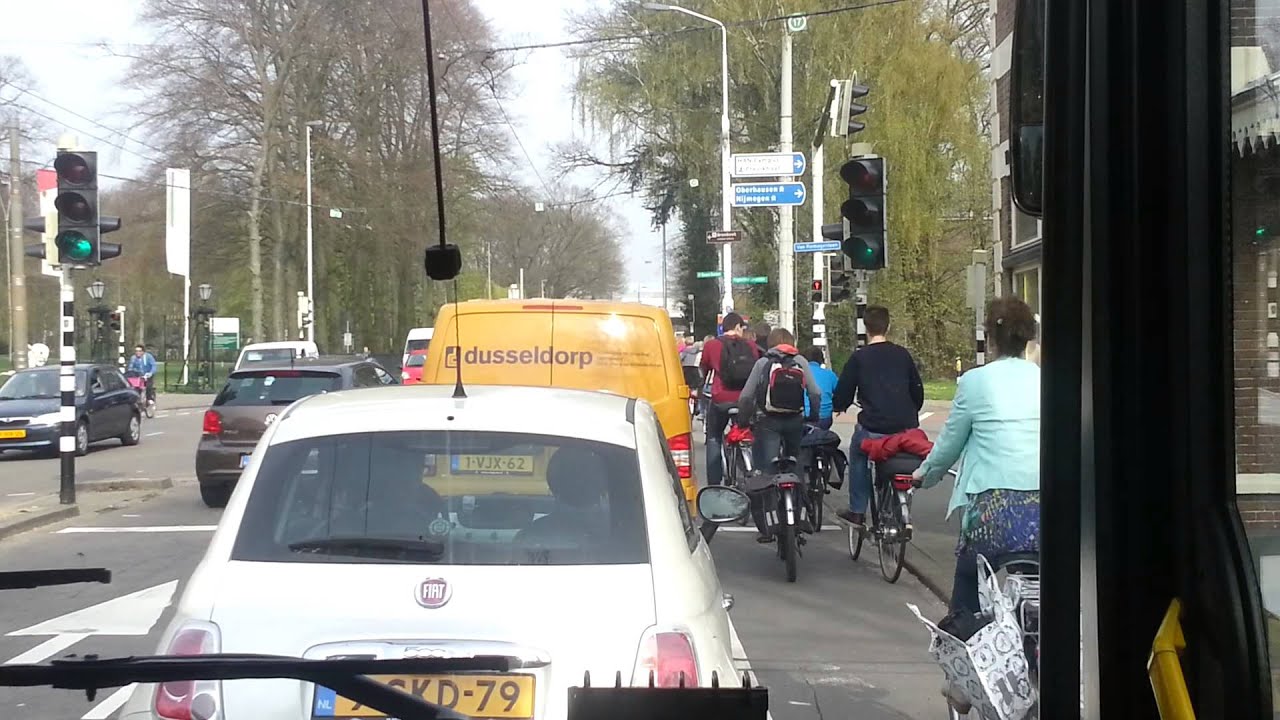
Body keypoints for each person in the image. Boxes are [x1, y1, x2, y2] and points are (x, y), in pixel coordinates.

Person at [912, 296, 1040, 615]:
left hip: (992, 509)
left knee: (968, 585)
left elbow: (949, 444)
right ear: (1028, 337)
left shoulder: (974, 381)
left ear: (991, 339)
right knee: (1039, 585)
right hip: (1044, 507)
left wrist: (925, 475)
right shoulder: (1045, 379)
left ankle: (964, 627)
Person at [831, 305, 924, 529]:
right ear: (888, 326)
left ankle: (857, 511)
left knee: (857, 452)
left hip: (873, 427)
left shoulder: (859, 358)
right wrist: (911, 412)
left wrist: (840, 405)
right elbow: (917, 390)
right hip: (904, 427)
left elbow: (844, 391)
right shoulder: (903, 355)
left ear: (866, 328)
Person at [735, 328, 821, 542]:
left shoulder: (763, 363)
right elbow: (815, 392)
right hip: (795, 421)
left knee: (767, 472)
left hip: (768, 422)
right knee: (796, 464)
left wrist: (743, 420)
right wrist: (813, 415)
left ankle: (769, 524)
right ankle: (801, 515)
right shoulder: (800, 361)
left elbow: (746, 396)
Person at [698, 313, 762, 486]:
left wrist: (699, 390)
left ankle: (714, 484)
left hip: (721, 399)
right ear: (738, 327)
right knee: (750, 433)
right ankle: (751, 469)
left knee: (714, 436)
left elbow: (703, 370)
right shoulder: (750, 345)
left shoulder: (712, 345)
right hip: (745, 400)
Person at [801, 346, 839, 430]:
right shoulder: (830, 375)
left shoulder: (800, 373)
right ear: (821, 360)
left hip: (803, 416)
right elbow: (840, 393)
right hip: (824, 417)